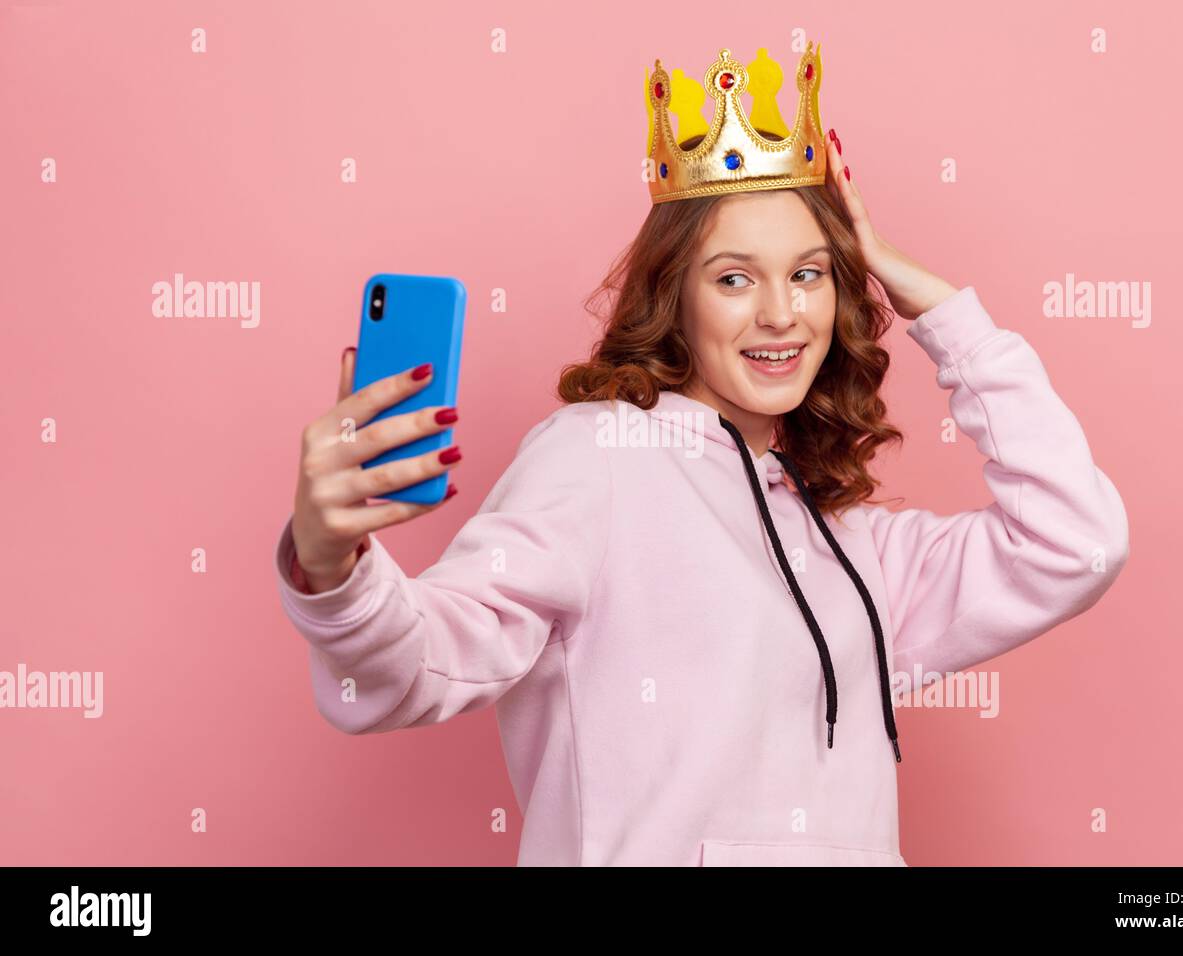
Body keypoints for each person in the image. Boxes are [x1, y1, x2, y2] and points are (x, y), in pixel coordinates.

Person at [272, 44, 1129, 866]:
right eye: (733, 278)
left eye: (809, 274)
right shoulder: (599, 457)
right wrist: (332, 567)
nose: (781, 316)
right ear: (673, 298)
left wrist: (941, 309)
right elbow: (419, 666)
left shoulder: (858, 548)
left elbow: (1074, 542)